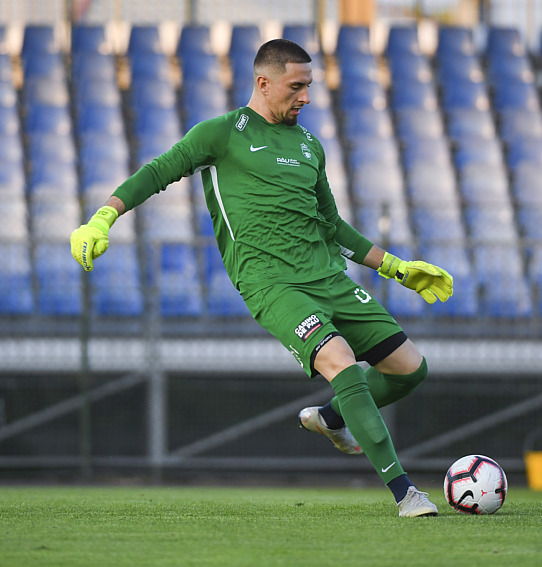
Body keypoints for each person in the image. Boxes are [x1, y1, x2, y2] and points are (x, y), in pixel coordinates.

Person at [70, 38, 454, 518]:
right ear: (263, 82)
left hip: (328, 277)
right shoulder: (222, 133)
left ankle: (333, 417)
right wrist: (103, 217)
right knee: (341, 362)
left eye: (309, 86)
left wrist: (397, 267)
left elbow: (330, 225)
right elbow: (158, 171)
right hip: (272, 284)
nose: (306, 97)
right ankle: (406, 494)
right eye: (297, 86)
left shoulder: (310, 145)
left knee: (410, 368)